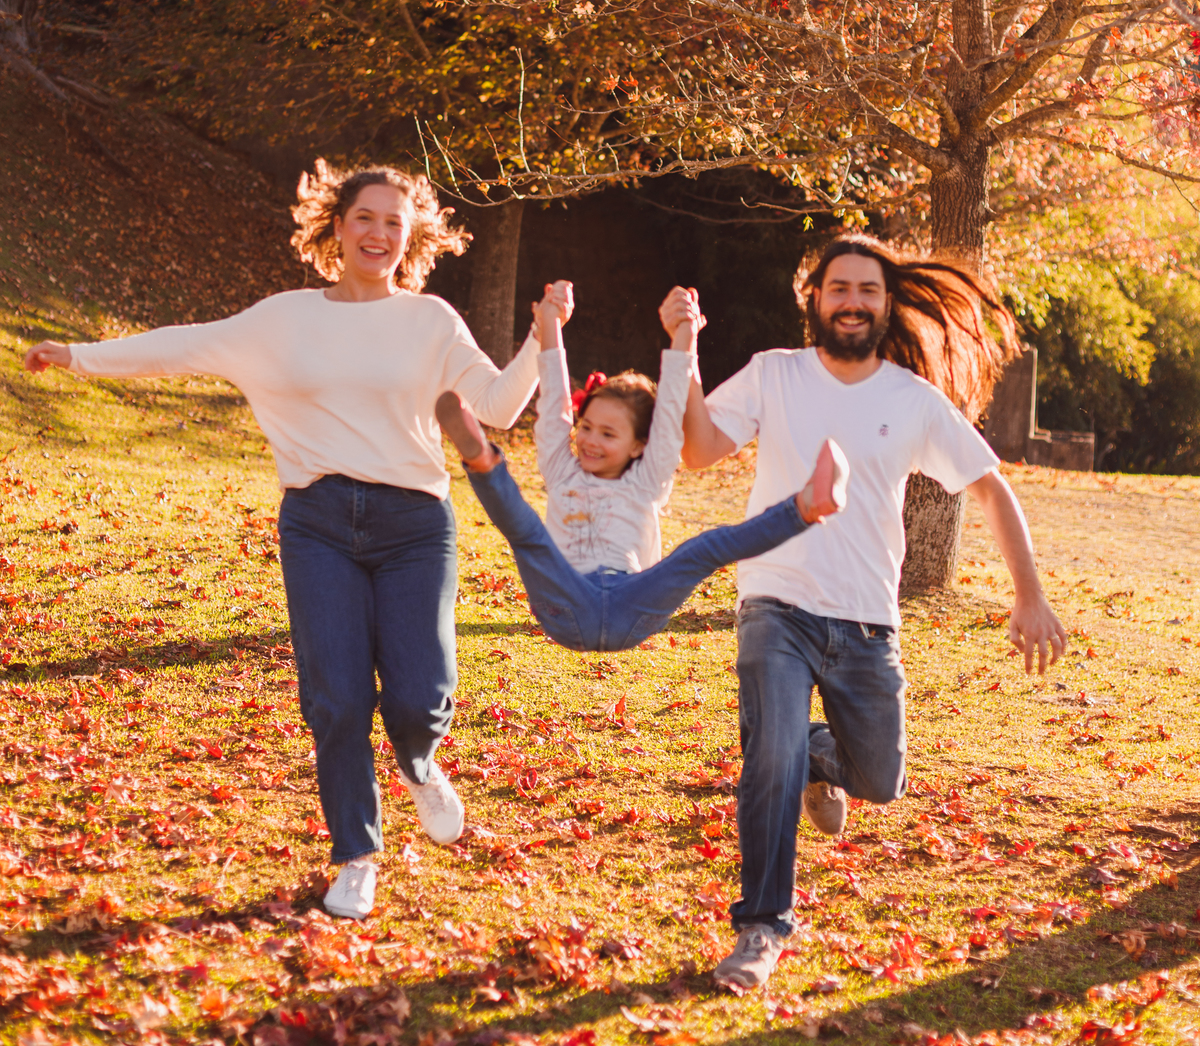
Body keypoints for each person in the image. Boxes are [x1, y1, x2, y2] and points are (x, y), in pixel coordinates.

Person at [23, 160, 566, 923]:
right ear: (336, 227)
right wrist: (77, 355)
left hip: (414, 525)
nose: (378, 233)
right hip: (317, 525)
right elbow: (182, 345)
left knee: (420, 694)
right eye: (364, 218)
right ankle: (356, 855)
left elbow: (502, 407)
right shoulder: (280, 319)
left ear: (410, 237)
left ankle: (418, 761)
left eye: (392, 222)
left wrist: (545, 338)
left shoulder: (430, 321)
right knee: (337, 699)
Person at [676, 234, 1069, 993]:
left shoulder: (911, 399)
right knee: (769, 756)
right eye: (839, 288)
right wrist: (686, 346)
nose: (853, 301)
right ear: (813, 298)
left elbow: (990, 487)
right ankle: (761, 930)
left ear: (886, 306)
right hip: (776, 602)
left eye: (868, 290)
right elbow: (696, 449)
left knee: (879, 778)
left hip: (866, 623)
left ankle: (815, 757)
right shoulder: (774, 374)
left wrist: (1029, 594)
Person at [436, 284, 849, 650]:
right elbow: (554, 405)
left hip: (631, 602)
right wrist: (549, 324)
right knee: (526, 533)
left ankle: (806, 507)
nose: (591, 440)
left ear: (640, 445)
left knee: (703, 549)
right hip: (563, 601)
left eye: (609, 435)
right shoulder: (563, 469)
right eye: (588, 428)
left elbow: (669, 413)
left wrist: (684, 337)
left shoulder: (648, 480)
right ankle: (482, 460)